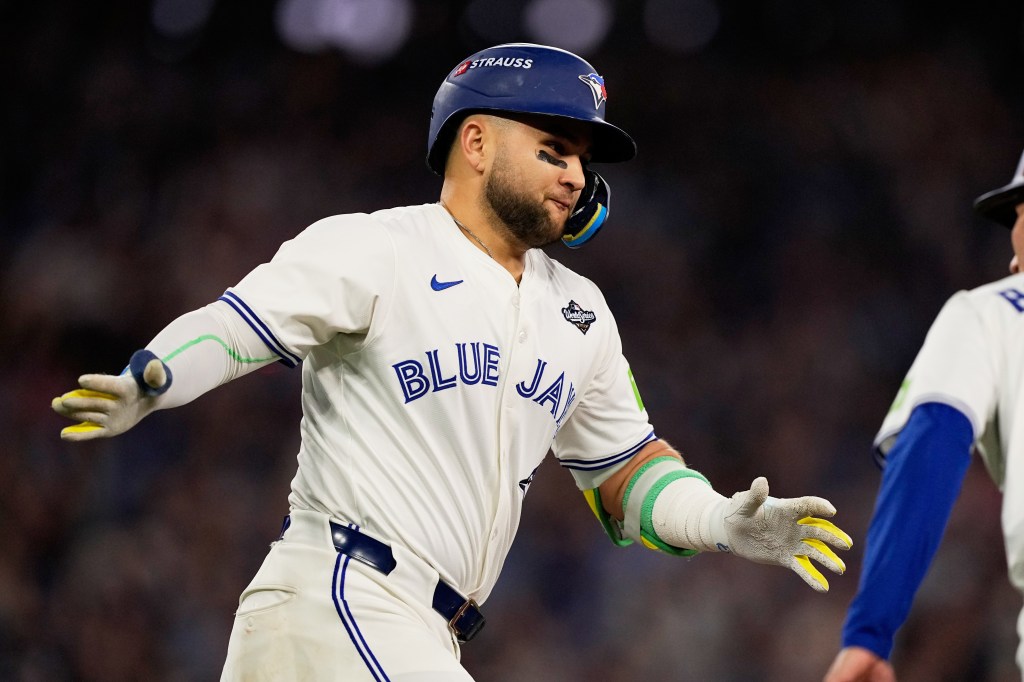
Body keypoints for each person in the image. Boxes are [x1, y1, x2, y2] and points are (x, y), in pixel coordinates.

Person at [52, 43, 852, 681]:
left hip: (418, 633)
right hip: (343, 597)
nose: (576, 175)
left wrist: (721, 521)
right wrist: (151, 378)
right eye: (552, 149)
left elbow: (624, 474)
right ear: (475, 142)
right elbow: (238, 328)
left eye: (582, 158)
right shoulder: (377, 248)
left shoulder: (580, 313)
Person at [823, 150, 1024, 682]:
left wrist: (870, 633)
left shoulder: (993, 311)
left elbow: (932, 441)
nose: (1011, 255)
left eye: (1018, 217)